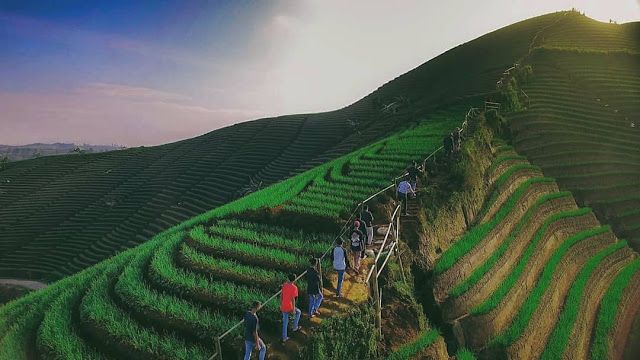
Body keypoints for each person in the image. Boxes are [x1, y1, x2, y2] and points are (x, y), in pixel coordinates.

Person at [280, 273, 302, 343]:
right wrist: (293, 309)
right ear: (294, 279)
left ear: (288, 278)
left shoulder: (284, 285)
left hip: (283, 306)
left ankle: (284, 337)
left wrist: (281, 304)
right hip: (289, 306)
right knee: (298, 312)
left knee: (285, 322)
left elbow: (281, 295)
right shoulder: (294, 288)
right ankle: (295, 327)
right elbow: (293, 299)